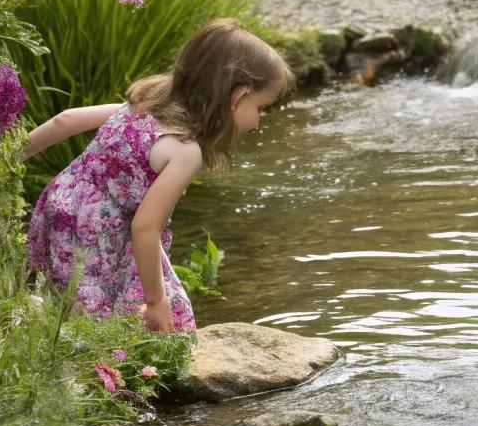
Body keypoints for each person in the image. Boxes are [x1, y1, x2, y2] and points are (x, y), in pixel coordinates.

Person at [22, 19, 294, 334]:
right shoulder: (185, 150)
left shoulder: (150, 100)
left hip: (61, 208)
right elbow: (145, 228)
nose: (259, 121)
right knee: (170, 318)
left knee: (68, 302)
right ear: (237, 97)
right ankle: (119, 365)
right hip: (98, 236)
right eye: (261, 107)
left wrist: (11, 156)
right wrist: (155, 302)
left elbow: (65, 121)